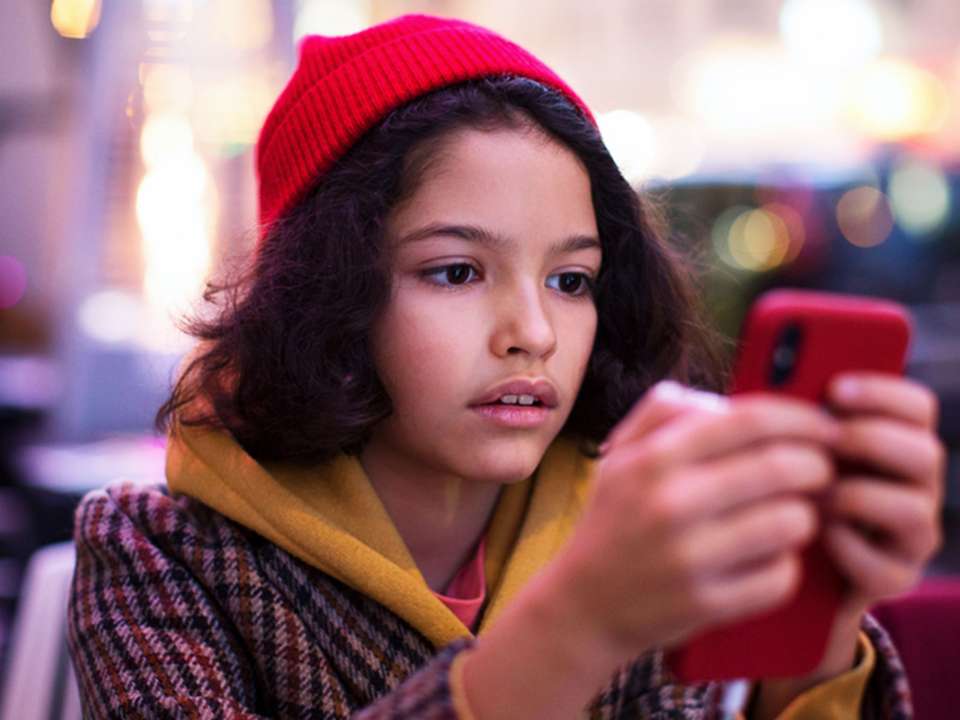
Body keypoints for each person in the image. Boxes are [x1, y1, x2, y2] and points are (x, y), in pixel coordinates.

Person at [67, 13, 944, 719]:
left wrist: (812, 640)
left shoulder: (644, 516)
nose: (534, 332)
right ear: (326, 291)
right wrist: (574, 625)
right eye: (456, 271)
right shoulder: (158, 549)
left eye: (572, 280)